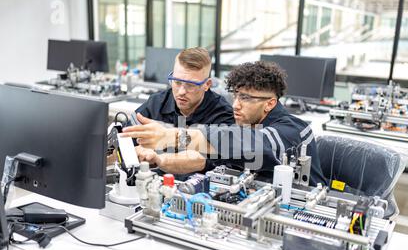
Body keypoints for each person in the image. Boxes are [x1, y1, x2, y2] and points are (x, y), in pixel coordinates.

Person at [123, 61, 326, 186]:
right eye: (236, 96)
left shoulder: (293, 130)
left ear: (270, 103)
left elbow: (251, 144)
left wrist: (171, 135)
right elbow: (205, 160)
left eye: (245, 98)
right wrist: (161, 160)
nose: (236, 105)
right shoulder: (243, 124)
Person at [134, 47, 234, 127]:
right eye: (177, 82)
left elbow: (225, 149)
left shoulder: (222, 114)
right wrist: (138, 149)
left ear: (207, 85)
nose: (181, 92)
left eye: (190, 85)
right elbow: (124, 138)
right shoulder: (156, 103)